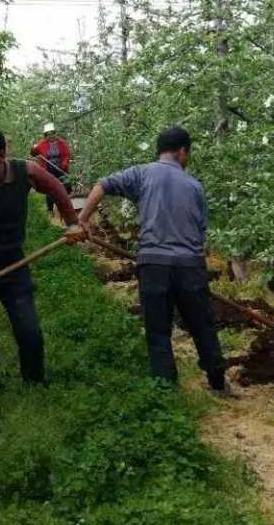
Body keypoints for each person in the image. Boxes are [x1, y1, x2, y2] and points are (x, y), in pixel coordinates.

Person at [78, 126, 229, 393]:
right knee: (202, 325)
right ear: (183, 152)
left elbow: (102, 185)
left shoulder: (141, 174)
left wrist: (82, 219)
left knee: (158, 330)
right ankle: (218, 383)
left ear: (160, 150)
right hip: (190, 266)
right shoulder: (195, 186)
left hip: (153, 265)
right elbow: (201, 231)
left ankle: (165, 388)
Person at [0, 126, 86, 400]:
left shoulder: (26, 172)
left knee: (28, 329)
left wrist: (72, 224)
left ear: (1, 155)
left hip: (13, 263)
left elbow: (56, 188)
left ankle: (34, 385)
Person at [30, 123, 72, 216]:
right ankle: (50, 210)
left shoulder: (61, 143)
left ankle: (66, 206)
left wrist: (64, 164)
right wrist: (33, 148)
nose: (50, 136)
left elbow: (67, 155)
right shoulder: (41, 144)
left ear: (54, 133)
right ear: (45, 135)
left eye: (52, 133)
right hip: (48, 169)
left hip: (61, 168)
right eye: (48, 134)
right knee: (50, 188)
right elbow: (33, 153)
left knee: (67, 185)